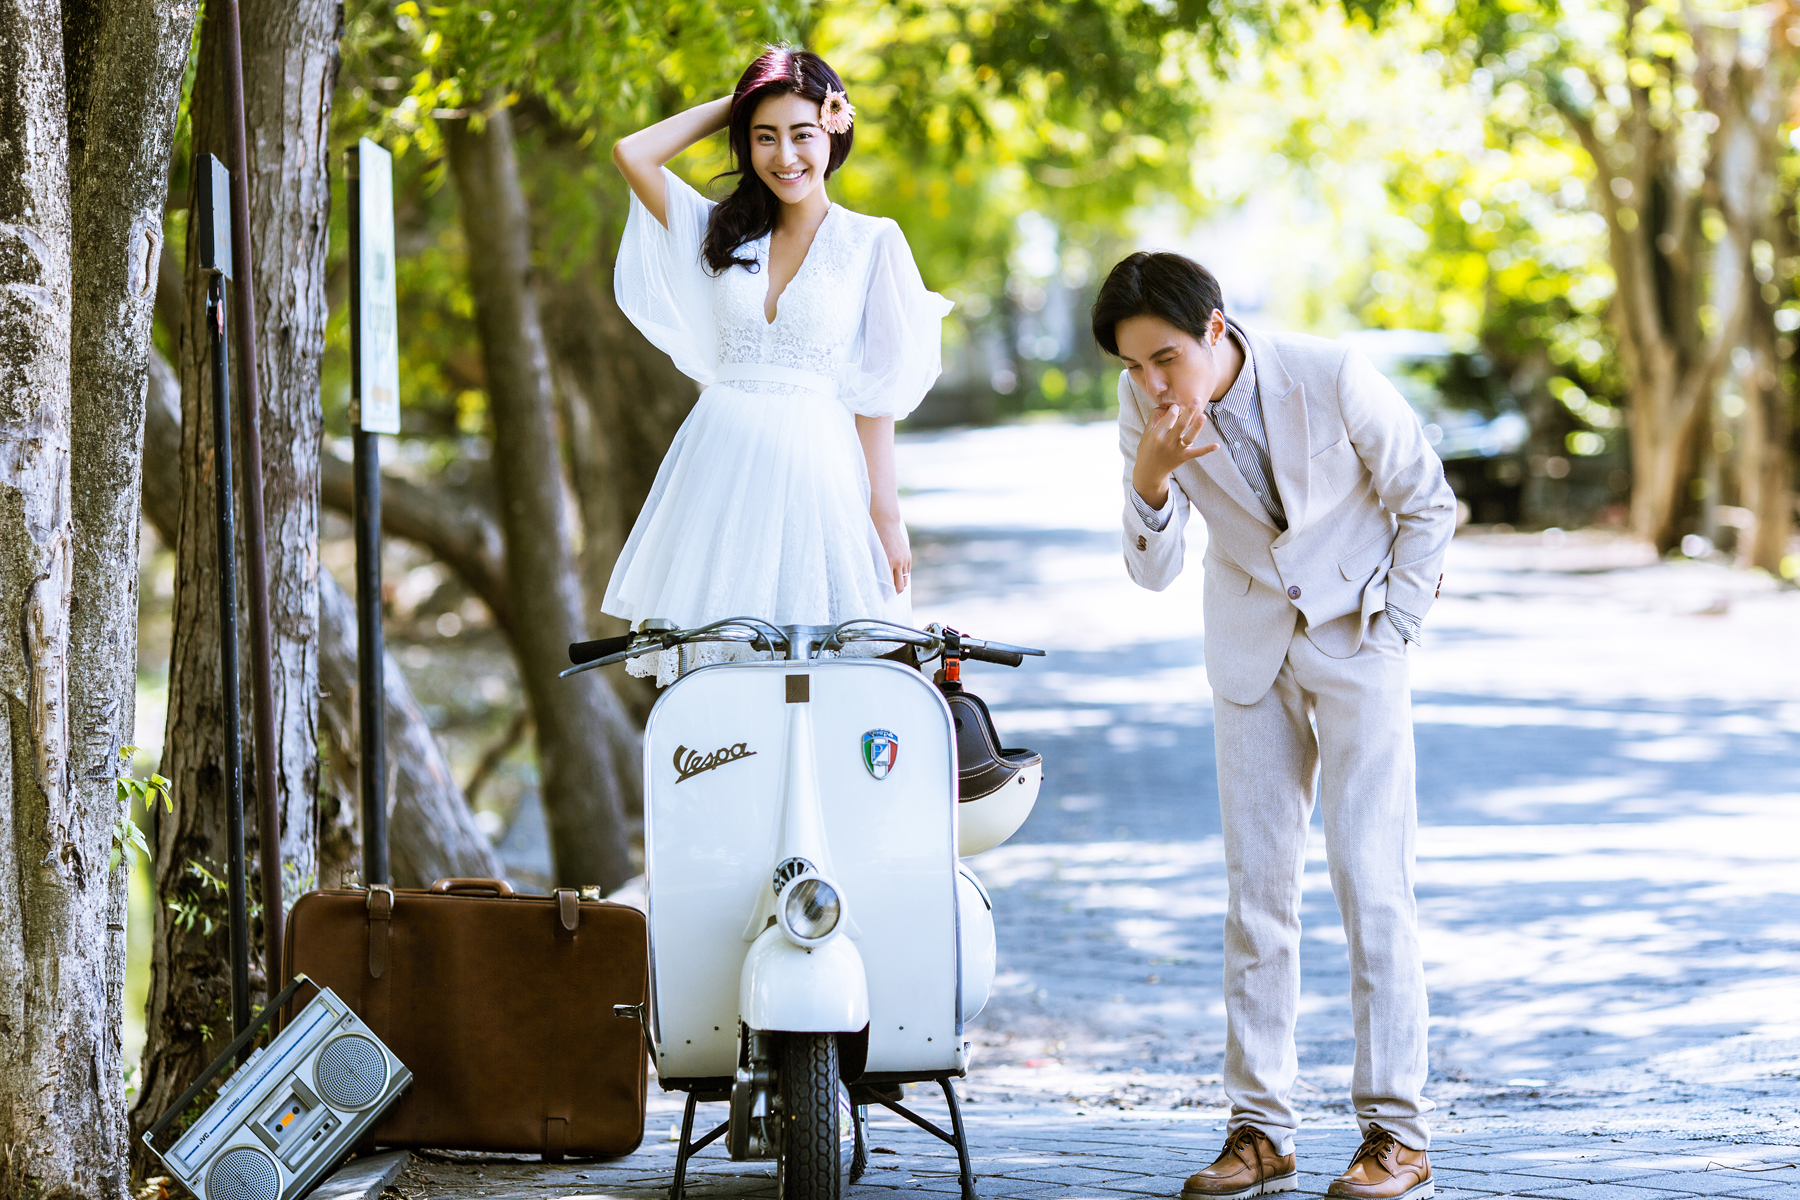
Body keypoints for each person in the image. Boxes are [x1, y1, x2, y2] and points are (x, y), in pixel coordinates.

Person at [1092, 252, 1454, 1200]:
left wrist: (1396, 628)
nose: (1150, 383)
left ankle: (1397, 1135)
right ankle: (1260, 1132)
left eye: (1165, 358)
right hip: (1250, 652)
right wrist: (1151, 480)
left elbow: (1426, 499)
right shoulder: (1143, 411)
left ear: (1215, 327)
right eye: (1132, 366)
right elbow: (1152, 572)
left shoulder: (1330, 374)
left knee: (1373, 882)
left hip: (1359, 637)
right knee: (1257, 895)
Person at [607, 46, 952, 683]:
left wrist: (886, 514)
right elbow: (634, 153)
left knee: (824, 668)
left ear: (834, 130)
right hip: (718, 470)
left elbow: (876, 396)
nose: (785, 155)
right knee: (721, 669)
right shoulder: (719, 232)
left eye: (802, 134)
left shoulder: (872, 241)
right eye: (764, 137)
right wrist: (742, 102)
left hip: (818, 472)